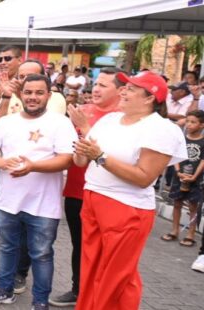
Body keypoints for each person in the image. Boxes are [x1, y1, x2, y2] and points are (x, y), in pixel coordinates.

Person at [72, 71, 187, 310]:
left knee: (116, 277)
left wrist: (100, 157)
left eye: (131, 88)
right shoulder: (109, 120)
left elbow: (144, 177)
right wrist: (83, 141)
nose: (123, 91)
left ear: (149, 98)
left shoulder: (161, 128)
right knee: (91, 269)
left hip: (127, 209)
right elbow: (81, 161)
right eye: (125, 86)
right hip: (93, 199)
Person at [0, 74, 77, 310]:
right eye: (28, 92)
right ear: (20, 94)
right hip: (7, 201)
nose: (33, 97)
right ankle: (4, 290)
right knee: (6, 248)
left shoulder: (60, 123)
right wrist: (2, 164)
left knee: (42, 255)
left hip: (44, 205)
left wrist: (33, 166)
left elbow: (67, 160)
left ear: (49, 95)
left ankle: (40, 302)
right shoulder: (6, 122)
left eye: (39, 92)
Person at [50, 67, 125, 307]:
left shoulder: (123, 117)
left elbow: (113, 155)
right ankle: (78, 289)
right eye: (97, 83)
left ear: (121, 90)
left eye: (104, 85)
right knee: (80, 244)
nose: (96, 89)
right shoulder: (82, 111)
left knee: (109, 250)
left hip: (111, 194)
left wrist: (85, 127)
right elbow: (72, 149)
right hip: (77, 190)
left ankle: (103, 295)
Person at [161, 110, 204, 247]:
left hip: (196, 179)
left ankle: (190, 234)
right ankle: (174, 231)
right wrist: (179, 172)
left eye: (193, 122)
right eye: (188, 121)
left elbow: (203, 161)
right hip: (179, 176)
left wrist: (194, 176)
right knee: (177, 203)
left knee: (193, 206)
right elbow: (174, 156)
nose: (189, 125)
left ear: (202, 125)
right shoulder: (181, 139)